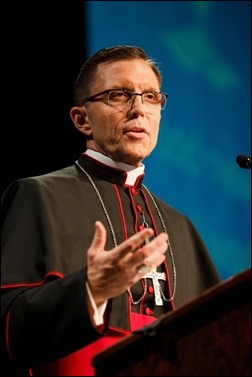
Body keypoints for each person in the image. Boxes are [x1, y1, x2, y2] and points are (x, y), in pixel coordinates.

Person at [1, 45, 221, 376]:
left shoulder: (181, 226)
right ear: (82, 119)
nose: (138, 110)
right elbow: (9, 327)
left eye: (150, 97)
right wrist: (90, 291)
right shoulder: (39, 195)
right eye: (118, 95)